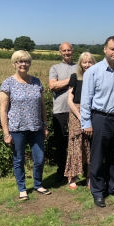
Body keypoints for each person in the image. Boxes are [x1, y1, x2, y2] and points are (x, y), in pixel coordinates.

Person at [80, 36, 114, 208]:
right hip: (100, 119)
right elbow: (86, 99)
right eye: (113, 49)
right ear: (105, 49)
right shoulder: (93, 72)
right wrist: (86, 122)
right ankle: (98, 192)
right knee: (98, 157)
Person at [0, 50, 50, 200]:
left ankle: (38, 184)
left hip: (36, 128)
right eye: (20, 61)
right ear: (14, 64)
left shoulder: (36, 82)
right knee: (19, 159)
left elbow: (42, 105)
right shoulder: (8, 83)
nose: (23, 64)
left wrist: (45, 125)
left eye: (26, 61)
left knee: (39, 158)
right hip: (17, 128)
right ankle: (22, 188)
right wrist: (6, 133)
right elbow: (3, 110)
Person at [64, 52, 96, 190]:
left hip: (92, 112)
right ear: (80, 64)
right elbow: (69, 100)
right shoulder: (75, 77)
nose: (87, 65)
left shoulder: (97, 78)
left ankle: (89, 176)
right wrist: (81, 116)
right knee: (75, 144)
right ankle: (72, 176)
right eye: (84, 62)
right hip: (76, 113)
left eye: (90, 62)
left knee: (90, 145)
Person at [49, 42, 77, 183]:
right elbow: (53, 85)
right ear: (60, 52)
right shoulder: (55, 68)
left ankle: (75, 170)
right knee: (61, 143)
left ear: (73, 51)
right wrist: (72, 81)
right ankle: (61, 170)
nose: (67, 52)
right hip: (60, 110)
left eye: (69, 50)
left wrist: (63, 83)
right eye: (64, 50)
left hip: (77, 110)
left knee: (75, 142)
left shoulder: (79, 67)